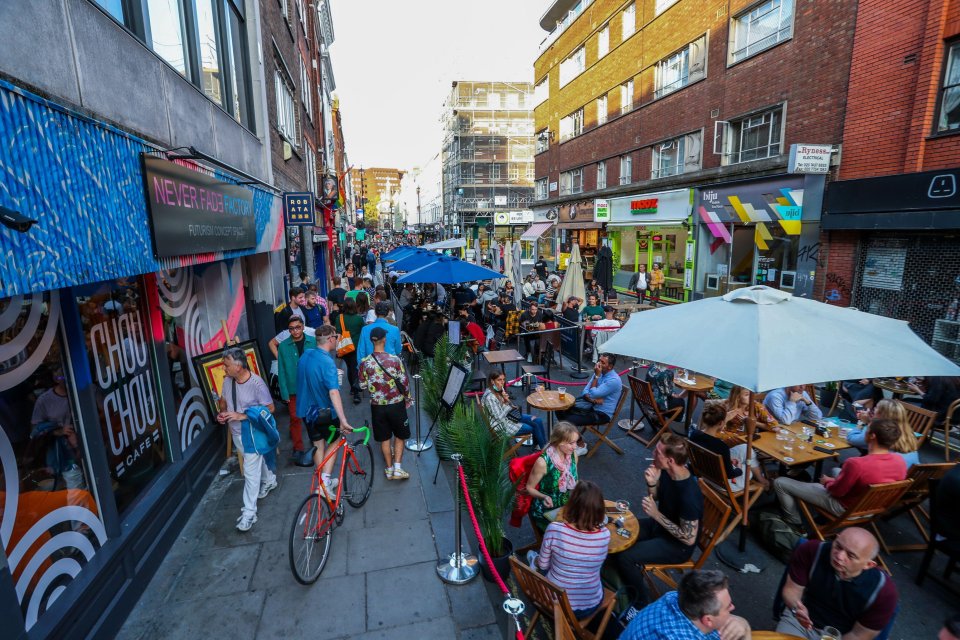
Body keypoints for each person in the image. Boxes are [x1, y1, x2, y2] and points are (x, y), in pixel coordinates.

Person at [774, 418, 907, 526]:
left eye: (867, 429)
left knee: (780, 482)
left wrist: (827, 482)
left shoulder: (856, 463)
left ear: (872, 436)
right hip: (871, 509)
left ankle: (794, 521)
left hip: (844, 508)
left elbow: (837, 492)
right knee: (836, 470)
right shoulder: (900, 462)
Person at [616, 434, 704, 594]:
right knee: (619, 530)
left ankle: (639, 601)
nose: (653, 455)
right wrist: (651, 483)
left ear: (670, 461)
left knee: (626, 557)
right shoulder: (667, 472)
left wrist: (656, 515)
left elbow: (689, 538)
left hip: (677, 546)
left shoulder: (688, 496)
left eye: (657, 453)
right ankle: (619, 582)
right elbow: (656, 496)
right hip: (659, 527)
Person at [778, 528, 899, 639]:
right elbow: (791, 590)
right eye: (838, 546)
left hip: (841, 636)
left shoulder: (884, 592)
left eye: (850, 555)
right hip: (798, 623)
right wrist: (796, 608)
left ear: (868, 565)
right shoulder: (812, 551)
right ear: (836, 538)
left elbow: (858, 635)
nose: (839, 556)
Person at [217, 347, 277, 532]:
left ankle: (249, 513)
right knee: (257, 462)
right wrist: (222, 413)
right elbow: (224, 401)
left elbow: (270, 408)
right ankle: (270, 479)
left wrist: (241, 416)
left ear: (239, 365)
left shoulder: (257, 384)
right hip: (236, 433)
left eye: (226, 365)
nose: (223, 368)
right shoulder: (228, 381)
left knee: (250, 474)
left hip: (252, 434)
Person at [532, 480, 610, 618]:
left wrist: (537, 560)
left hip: (555, 602)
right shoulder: (605, 535)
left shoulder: (555, 529)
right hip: (590, 604)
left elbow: (543, 565)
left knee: (537, 562)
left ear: (571, 505)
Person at [296, 325, 354, 495]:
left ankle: (322, 483)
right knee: (335, 441)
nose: (337, 340)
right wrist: (343, 420)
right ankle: (325, 482)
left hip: (306, 412)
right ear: (330, 339)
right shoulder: (328, 362)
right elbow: (334, 392)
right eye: (336, 337)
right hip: (324, 413)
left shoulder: (306, 354)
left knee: (317, 444)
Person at [620, 570, 751, 640]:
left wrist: (742, 623)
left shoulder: (676, 597)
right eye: (728, 607)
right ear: (708, 620)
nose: (733, 608)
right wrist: (746, 630)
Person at [359, 327, 412, 480]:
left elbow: (362, 386)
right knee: (400, 436)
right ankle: (397, 468)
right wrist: (407, 398)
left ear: (371, 341)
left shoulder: (365, 363)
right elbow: (404, 383)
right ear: (385, 340)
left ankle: (388, 469)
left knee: (384, 438)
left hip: (377, 406)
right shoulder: (395, 360)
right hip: (396, 404)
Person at [689, 402, 767, 491]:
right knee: (748, 470)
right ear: (721, 423)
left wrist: (727, 460)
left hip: (704, 473)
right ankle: (762, 481)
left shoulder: (694, 434)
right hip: (721, 483)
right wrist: (739, 468)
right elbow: (730, 474)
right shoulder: (721, 446)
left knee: (745, 448)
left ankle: (762, 480)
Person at [276, 317, 318, 466]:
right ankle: (298, 448)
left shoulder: (312, 342)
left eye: (298, 327)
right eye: (292, 328)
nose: (295, 331)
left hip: (311, 387)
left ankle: (316, 445)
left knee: (313, 417)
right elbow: (281, 370)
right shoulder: (283, 346)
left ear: (303, 327)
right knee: (295, 418)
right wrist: (284, 392)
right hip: (293, 389)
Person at [526, 422, 581, 532]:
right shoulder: (543, 463)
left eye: (576, 442)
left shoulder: (573, 455)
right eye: (571, 443)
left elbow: (574, 480)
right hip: (546, 510)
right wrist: (544, 497)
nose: (575, 446)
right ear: (560, 442)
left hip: (566, 505)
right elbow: (529, 488)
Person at [557, 354, 623, 440]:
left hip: (602, 413)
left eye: (602, 362)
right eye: (599, 360)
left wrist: (595, 378)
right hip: (590, 405)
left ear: (610, 366)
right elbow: (585, 391)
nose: (598, 364)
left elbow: (593, 394)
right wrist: (592, 400)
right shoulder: (599, 372)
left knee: (569, 420)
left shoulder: (613, 380)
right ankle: (572, 439)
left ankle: (579, 444)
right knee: (559, 409)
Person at [481, 372, 547, 449]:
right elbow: (499, 417)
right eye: (499, 380)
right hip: (501, 426)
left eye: (503, 379)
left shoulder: (496, 391)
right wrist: (505, 403)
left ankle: (538, 446)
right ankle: (545, 451)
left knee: (537, 420)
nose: (502, 382)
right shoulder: (490, 397)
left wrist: (506, 401)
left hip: (509, 417)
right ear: (492, 381)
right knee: (535, 426)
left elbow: (508, 407)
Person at [847, 399, 920, 468]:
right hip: (906, 478)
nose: (873, 409)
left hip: (885, 476)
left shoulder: (881, 433)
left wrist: (862, 422)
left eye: (876, 408)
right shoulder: (908, 432)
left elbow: (852, 439)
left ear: (881, 414)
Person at [330, 297, 364, 405]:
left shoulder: (339, 318)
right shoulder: (359, 319)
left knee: (350, 367)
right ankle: (355, 391)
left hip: (345, 346)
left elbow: (338, 333)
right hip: (355, 346)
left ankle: (352, 388)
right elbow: (362, 332)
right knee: (354, 368)